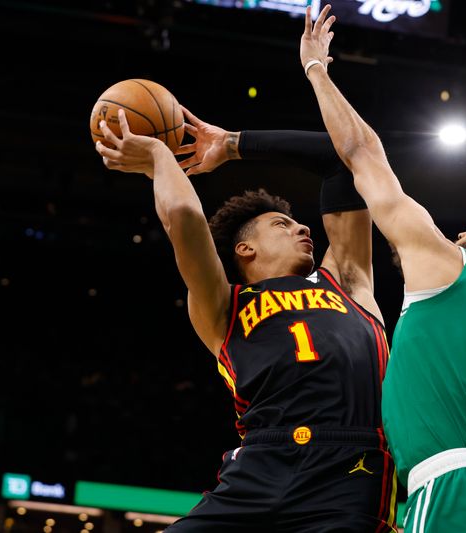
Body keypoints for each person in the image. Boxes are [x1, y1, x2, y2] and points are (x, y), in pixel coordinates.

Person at [300, 5, 466, 531]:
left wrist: (316, 69)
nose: (462, 230)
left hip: (455, 488)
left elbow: (365, 154)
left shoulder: (455, 267)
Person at [94, 108, 397, 532]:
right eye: (281, 224)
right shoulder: (222, 304)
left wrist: (235, 144)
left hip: (347, 466)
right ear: (245, 250)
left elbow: (340, 159)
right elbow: (183, 218)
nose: (303, 228)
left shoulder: (346, 280)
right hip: (260, 464)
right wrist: (160, 157)